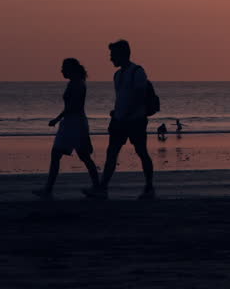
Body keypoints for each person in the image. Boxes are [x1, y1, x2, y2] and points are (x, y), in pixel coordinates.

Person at [84, 39, 155, 200]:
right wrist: (116, 113)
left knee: (141, 152)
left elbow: (139, 96)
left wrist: (126, 114)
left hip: (136, 121)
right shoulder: (117, 75)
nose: (111, 58)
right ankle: (103, 188)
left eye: (113, 54)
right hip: (119, 120)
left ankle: (149, 187)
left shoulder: (138, 72)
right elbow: (122, 97)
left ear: (122, 54)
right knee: (112, 153)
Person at [35, 58, 100, 198]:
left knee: (81, 157)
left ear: (72, 69)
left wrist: (57, 119)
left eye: (64, 68)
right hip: (71, 123)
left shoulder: (77, 84)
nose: (62, 70)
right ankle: (48, 189)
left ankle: (97, 187)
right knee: (68, 156)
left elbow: (73, 107)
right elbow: (70, 107)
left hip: (74, 124)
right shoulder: (74, 83)